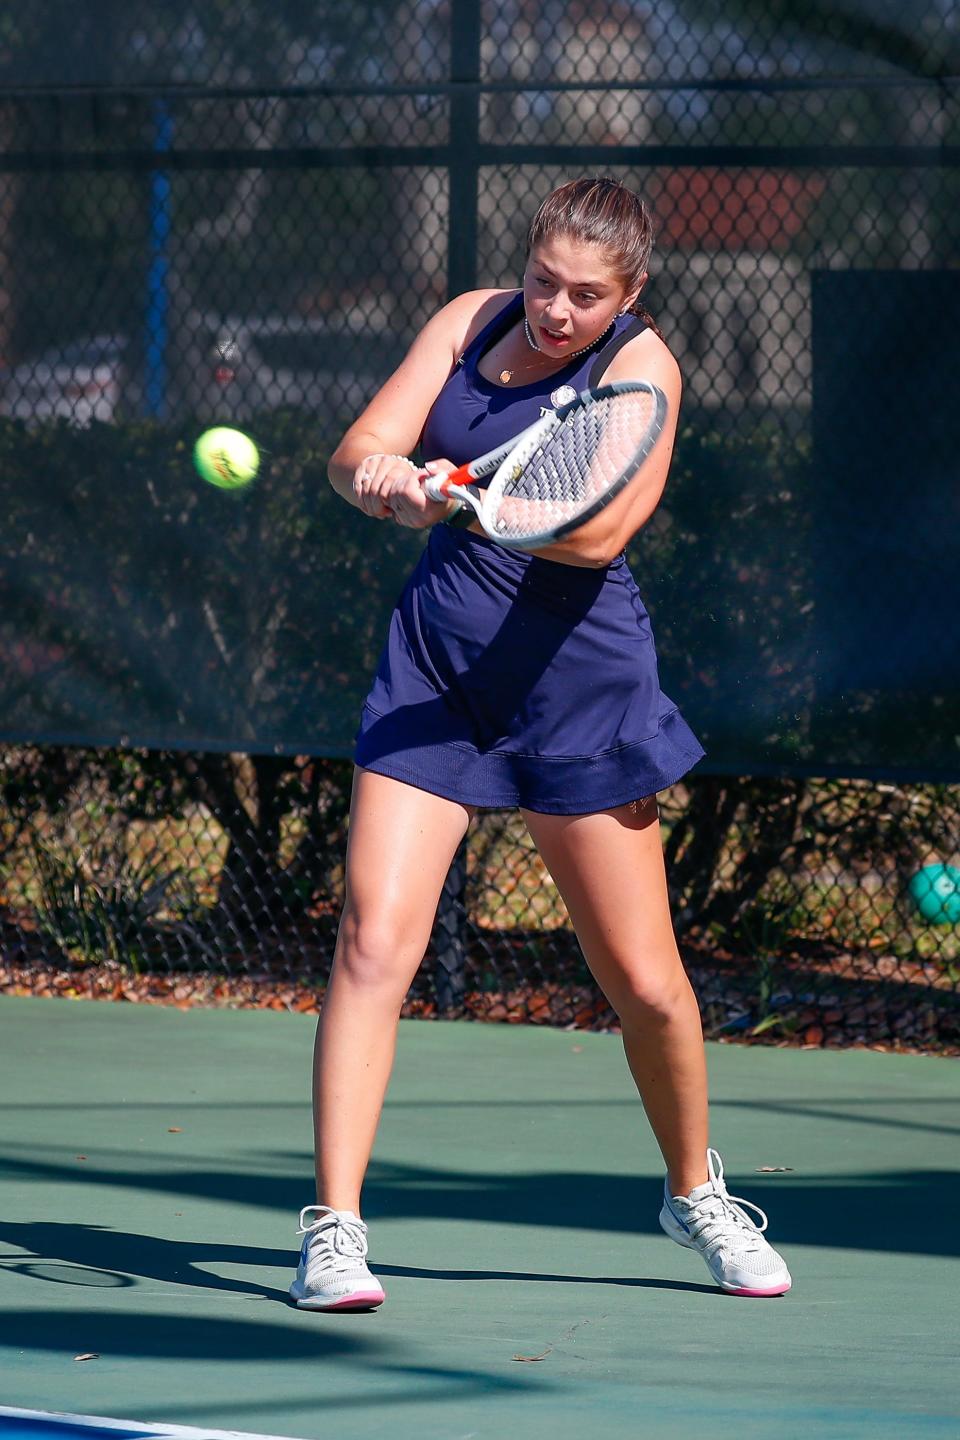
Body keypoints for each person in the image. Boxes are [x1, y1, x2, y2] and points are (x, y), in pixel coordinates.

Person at [289, 177, 792, 1310]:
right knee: (373, 938)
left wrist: (466, 501)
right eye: (545, 283)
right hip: (438, 676)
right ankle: (334, 1228)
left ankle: (692, 1191)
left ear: (630, 294)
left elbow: (602, 528)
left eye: (586, 295)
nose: (557, 311)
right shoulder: (470, 320)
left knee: (647, 986)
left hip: (581, 692)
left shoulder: (641, 366)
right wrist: (381, 481)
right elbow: (358, 444)